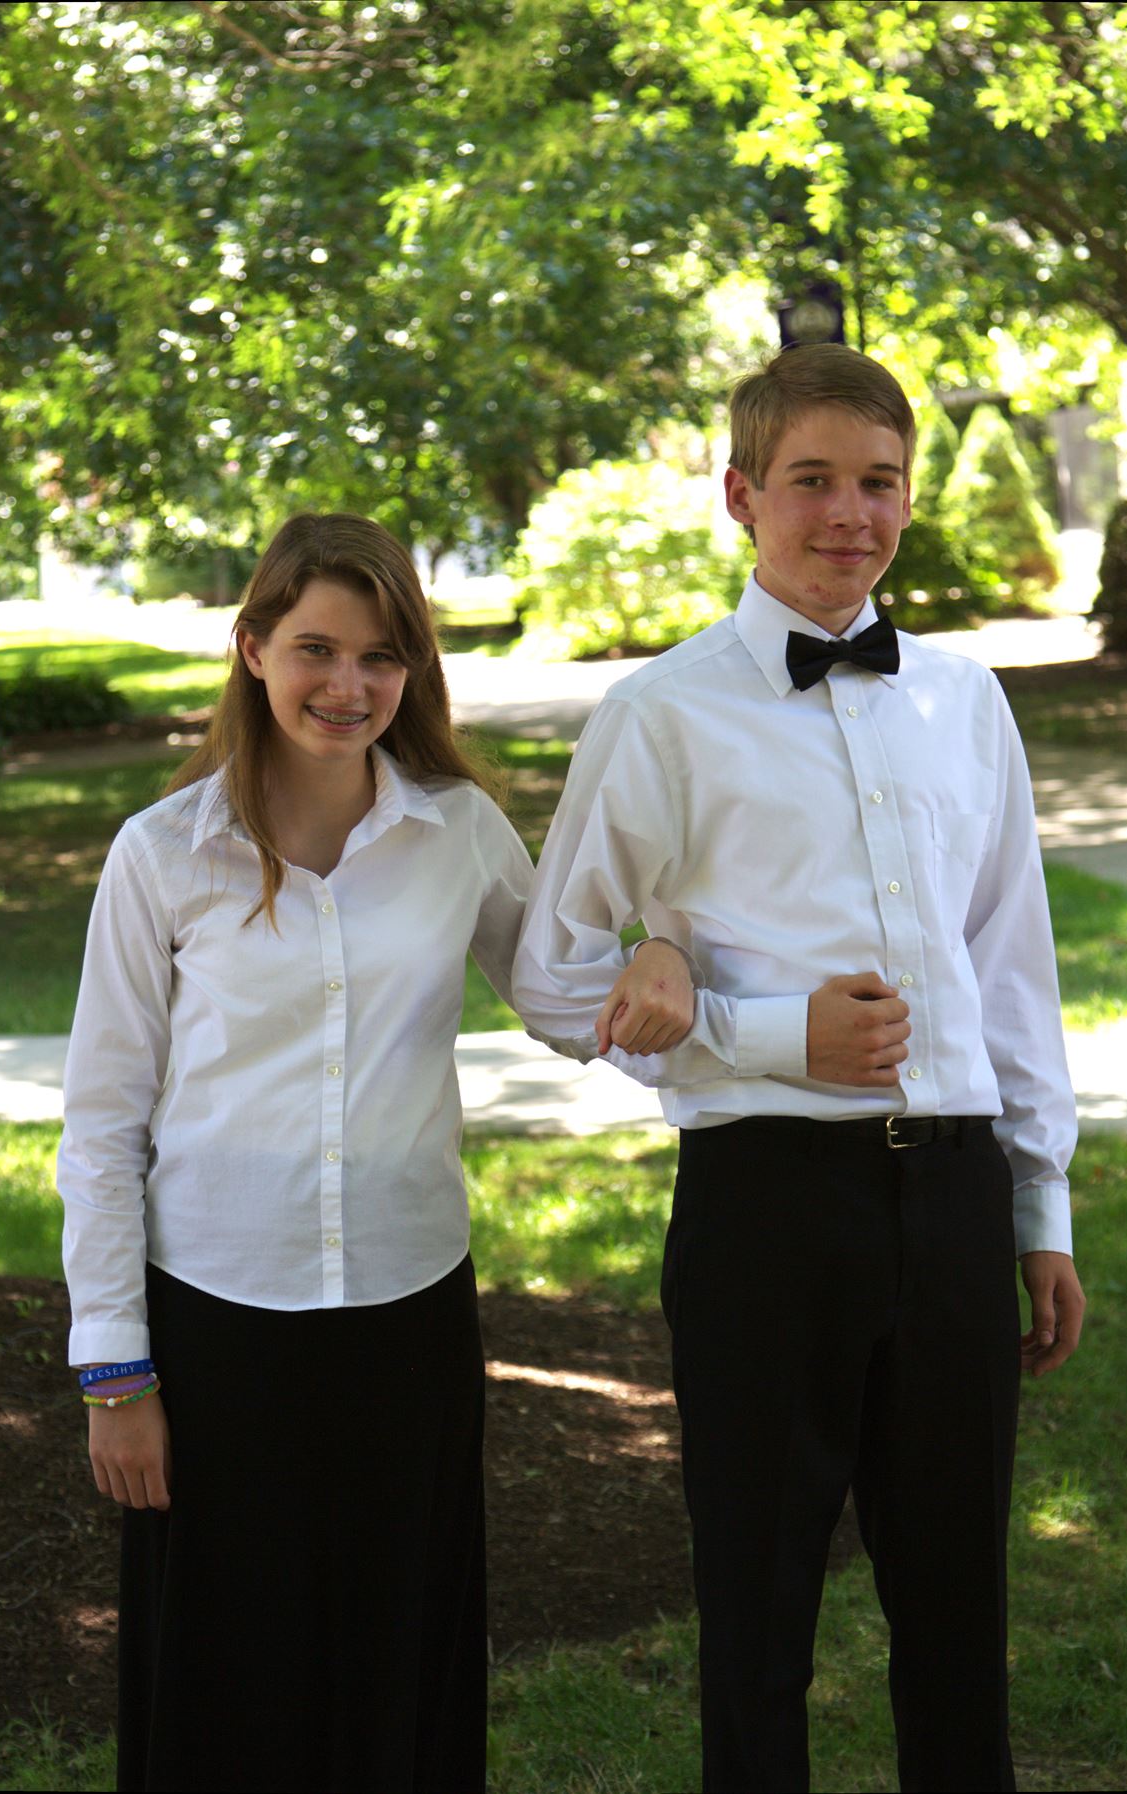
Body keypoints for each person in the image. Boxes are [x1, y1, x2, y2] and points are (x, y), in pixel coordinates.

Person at [512, 344, 1086, 1793]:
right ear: (740, 495)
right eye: (812, 479)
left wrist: (1041, 1208)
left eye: (879, 482)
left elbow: (1011, 968)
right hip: (765, 1205)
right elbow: (552, 974)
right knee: (759, 1612)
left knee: (958, 1609)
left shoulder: (966, 701)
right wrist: (758, 1029)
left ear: (910, 500)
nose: (849, 513)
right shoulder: (659, 717)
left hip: (953, 1194)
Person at [56, 511, 692, 1794]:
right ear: (252, 649)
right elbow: (104, 1120)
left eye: (382, 656)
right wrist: (115, 1375)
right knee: (229, 1666)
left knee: (398, 1645)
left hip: (409, 1314)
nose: (348, 685)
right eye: (317, 648)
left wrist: (664, 946)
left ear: (413, 671)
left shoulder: (459, 831)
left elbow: (569, 1003)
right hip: (216, 1320)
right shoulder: (161, 855)